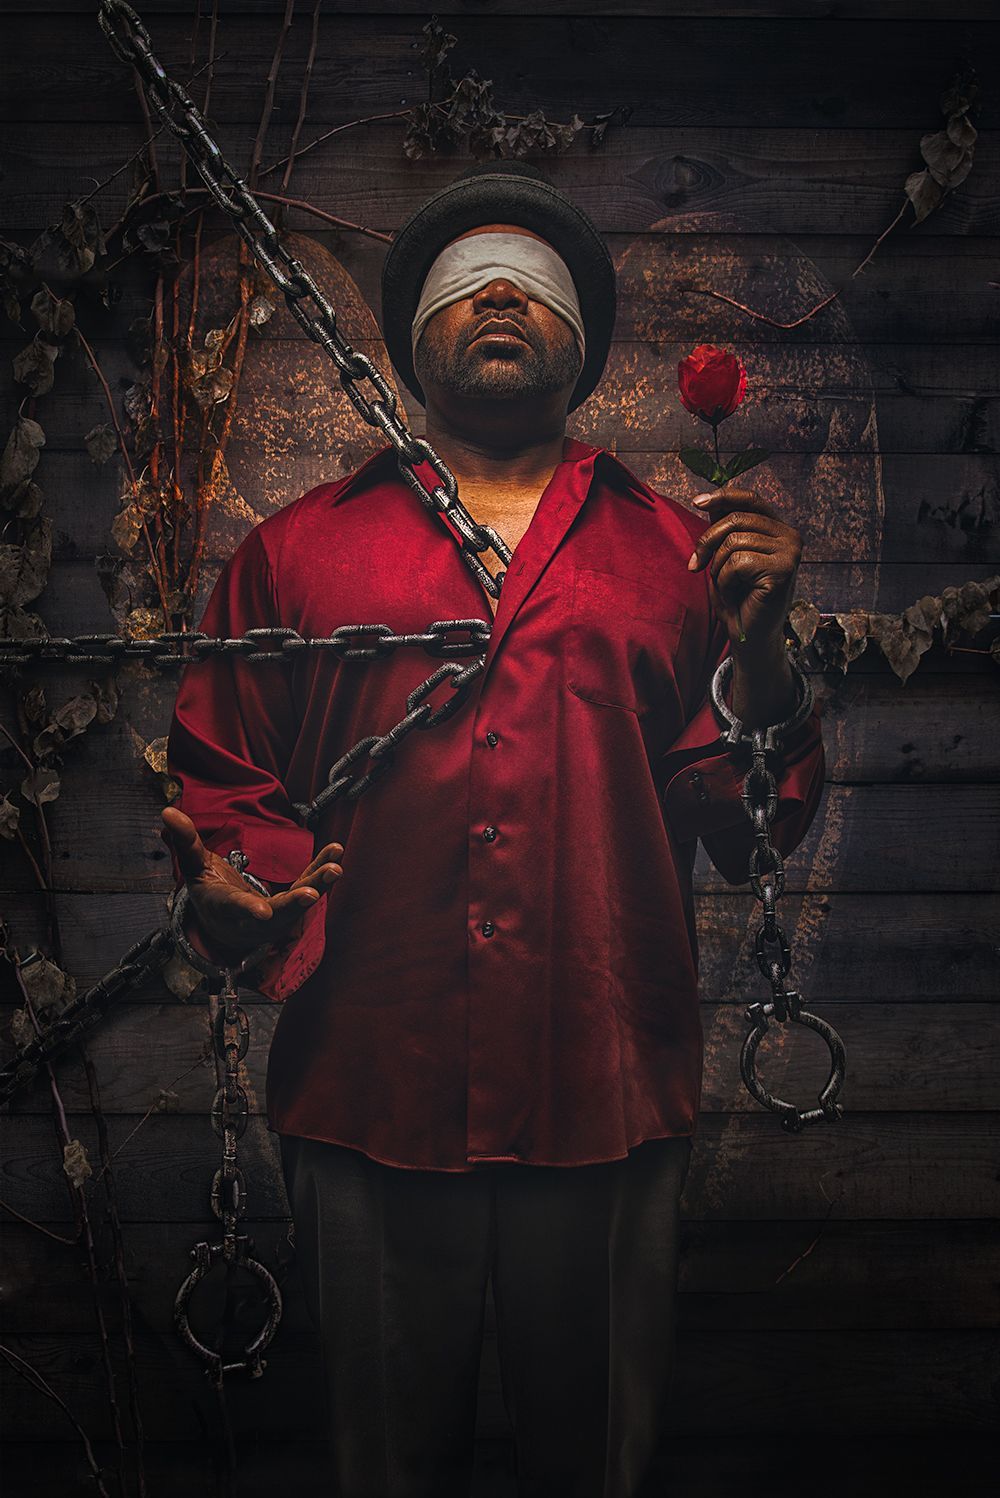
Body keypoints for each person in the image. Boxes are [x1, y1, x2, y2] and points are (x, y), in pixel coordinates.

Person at [162, 162, 825, 1498]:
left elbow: (749, 827)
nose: (503, 300)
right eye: (471, 288)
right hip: (368, 1089)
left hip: (608, 1090)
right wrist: (237, 892)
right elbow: (225, 783)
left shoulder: (670, 557)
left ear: (578, 342)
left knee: (598, 1469)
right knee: (385, 1470)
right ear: (417, 344)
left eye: (533, 284)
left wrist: (760, 660)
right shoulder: (294, 555)